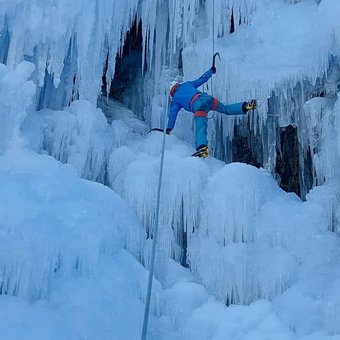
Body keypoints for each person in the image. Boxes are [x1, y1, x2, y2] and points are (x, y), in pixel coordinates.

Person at [166, 65, 257, 158]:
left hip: (199, 106)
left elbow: (173, 115)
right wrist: (211, 71)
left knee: (201, 128)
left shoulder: (175, 99)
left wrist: (168, 129)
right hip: (208, 99)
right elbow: (202, 79)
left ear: (172, 92)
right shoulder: (187, 84)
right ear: (177, 85)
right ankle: (246, 106)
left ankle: (202, 149)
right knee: (226, 109)